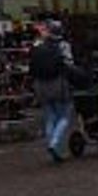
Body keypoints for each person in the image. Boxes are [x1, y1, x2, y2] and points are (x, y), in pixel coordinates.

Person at [29, 20, 73, 163]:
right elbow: (68, 64)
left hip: (40, 85)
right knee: (64, 116)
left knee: (50, 117)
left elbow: (31, 65)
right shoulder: (63, 45)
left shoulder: (38, 45)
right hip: (58, 84)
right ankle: (54, 143)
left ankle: (52, 145)